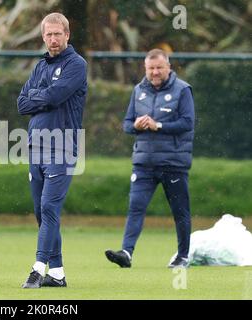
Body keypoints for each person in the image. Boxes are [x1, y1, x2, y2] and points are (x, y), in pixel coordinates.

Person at [105, 48, 195, 268]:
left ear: (168, 68)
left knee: (180, 211)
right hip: (144, 162)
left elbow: (187, 123)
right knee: (135, 208)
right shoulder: (139, 90)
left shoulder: (183, 90)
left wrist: (158, 125)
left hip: (173, 163)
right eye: (150, 68)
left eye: (159, 68)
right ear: (145, 69)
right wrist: (136, 125)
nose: (154, 72)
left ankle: (182, 256)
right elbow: (127, 124)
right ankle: (126, 253)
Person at [17, 12, 87, 288]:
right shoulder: (39, 66)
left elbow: (58, 95)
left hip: (61, 146)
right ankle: (57, 274)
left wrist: (39, 96)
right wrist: (42, 96)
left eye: (58, 34)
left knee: (49, 207)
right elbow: (21, 104)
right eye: (49, 34)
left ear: (67, 35)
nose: (53, 39)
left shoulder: (77, 64)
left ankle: (37, 268)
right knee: (41, 211)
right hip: (36, 146)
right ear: (43, 37)